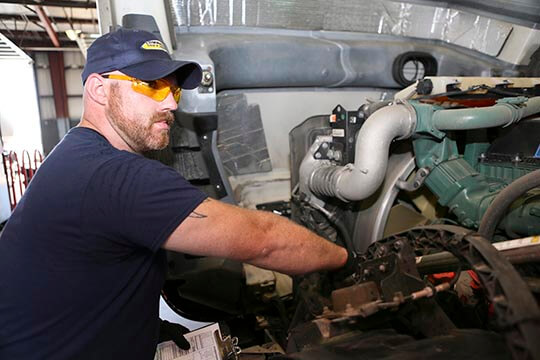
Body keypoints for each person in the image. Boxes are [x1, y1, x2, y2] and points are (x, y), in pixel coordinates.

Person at [0, 28, 349, 359]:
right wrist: (346, 259)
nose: (170, 103)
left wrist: (145, 327)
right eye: (152, 86)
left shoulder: (76, 156)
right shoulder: (113, 174)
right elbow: (264, 240)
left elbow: (73, 285)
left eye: (174, 90)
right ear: (99, 89)